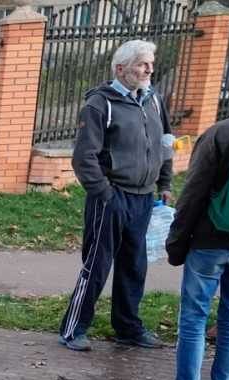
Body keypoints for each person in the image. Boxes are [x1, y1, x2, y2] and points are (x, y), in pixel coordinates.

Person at [149, 50, 229, 380]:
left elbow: (193, 195)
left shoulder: (222, 132)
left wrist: (176, 244)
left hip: (210, 243)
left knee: (194, 319)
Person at [61, 39, 174, 351]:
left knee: (134, 266)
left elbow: (165, 143)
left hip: (144, 197)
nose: (149, 70)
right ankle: (73, 329)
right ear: (121, 68)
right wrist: (105, 193)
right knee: (97, 264)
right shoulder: (100, 104)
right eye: (142, 64)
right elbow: (84, 158)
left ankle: (128, 328)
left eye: (151, 64)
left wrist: (165, 183)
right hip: (111, 197)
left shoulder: (153, 100)